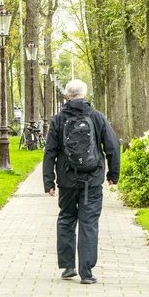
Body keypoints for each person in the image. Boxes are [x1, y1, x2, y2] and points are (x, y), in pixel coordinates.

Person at [43, 79, 120, 284]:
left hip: (67, 179)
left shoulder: (58, 119)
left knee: (67, 219)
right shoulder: (97, 117)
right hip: (92, 179)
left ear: (67, 97)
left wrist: (48, 181)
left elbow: (50, 151)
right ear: (85, 95)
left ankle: (68, 267)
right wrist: (113, 174)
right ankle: (86, 272)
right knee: (89, 223)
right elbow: (112, 145)